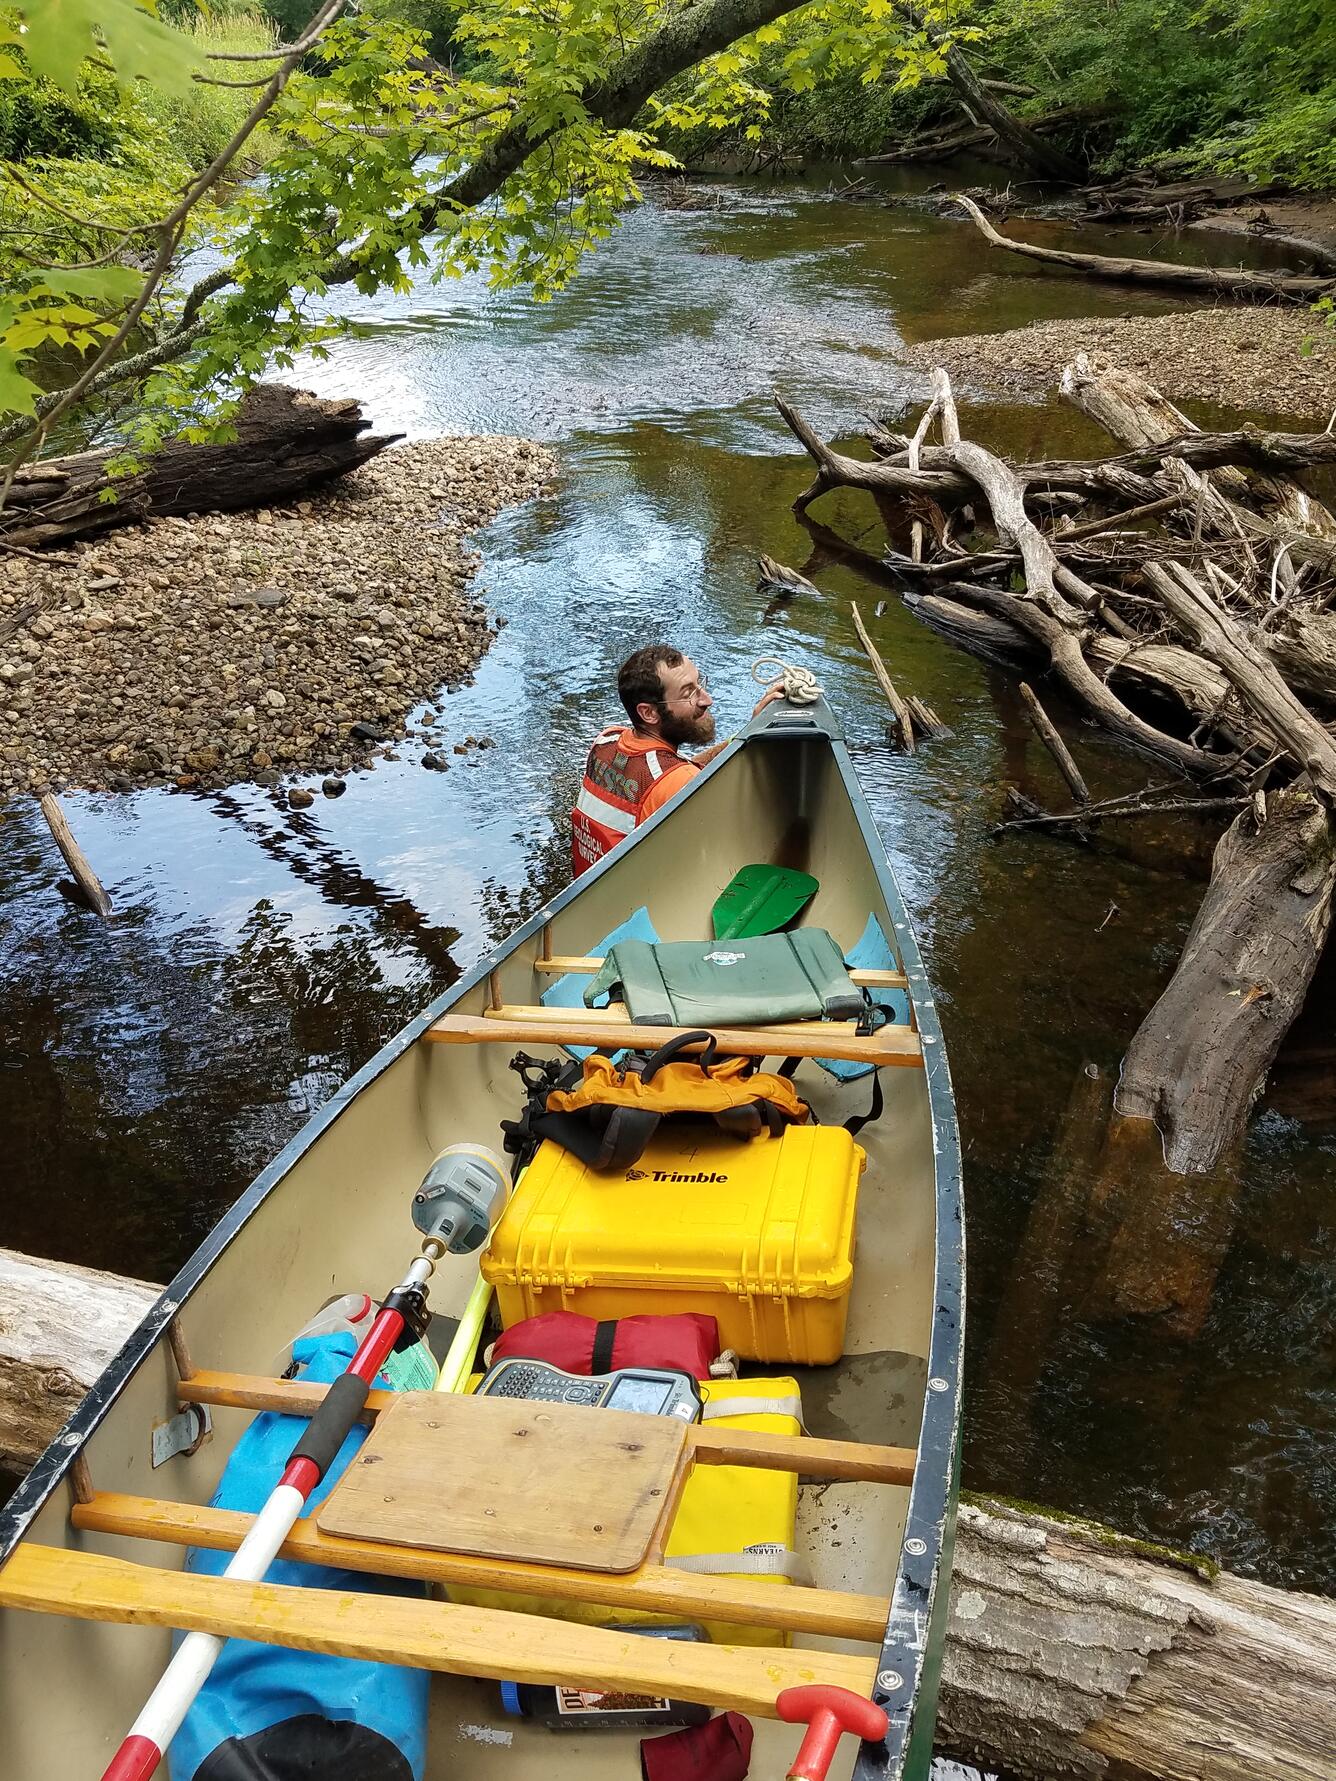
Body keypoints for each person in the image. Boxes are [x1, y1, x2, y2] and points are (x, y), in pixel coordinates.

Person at [570, 645, 781, 878]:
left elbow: (675, 771)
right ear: (648, 713)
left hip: (593, 889)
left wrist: (744, 736)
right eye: (688, 693)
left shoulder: (607, 741)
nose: (706, 699)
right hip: (638, 906)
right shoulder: (676, 782)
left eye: (700, 684)